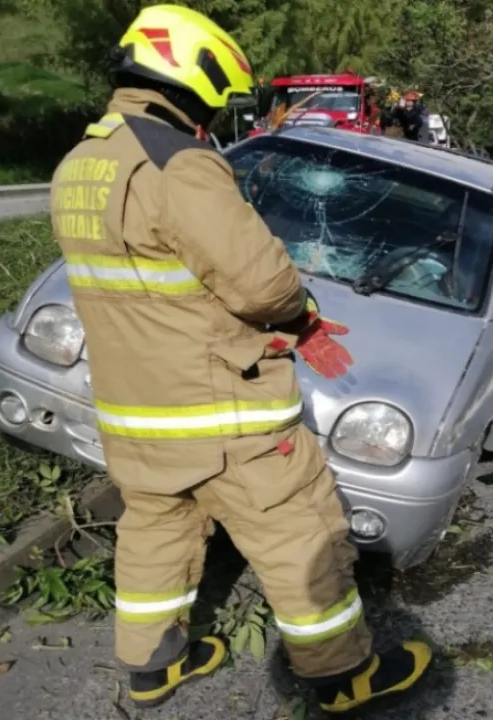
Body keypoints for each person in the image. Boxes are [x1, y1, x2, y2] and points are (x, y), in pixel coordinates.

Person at [48, 4, 432, 713]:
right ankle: (343, 676)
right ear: (193, 82)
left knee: (156, 532)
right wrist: (303, 318)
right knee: (297, 533)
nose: (213, 118)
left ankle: (152, 667)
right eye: (215, 101)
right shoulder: (177, 162)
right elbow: (261, 283)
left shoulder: (80, 164)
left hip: (135, 413)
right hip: (221, 411)